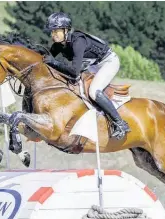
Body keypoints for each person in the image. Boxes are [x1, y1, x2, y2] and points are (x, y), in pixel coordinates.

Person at [43, 12, 130, 140]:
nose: (53, 34)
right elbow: (45, 57)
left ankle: (120, 123)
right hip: (93, 65)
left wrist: (54, 62)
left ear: (66, 30)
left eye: (56, 31)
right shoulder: (59, 45)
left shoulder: (78, 41)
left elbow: (73, 71)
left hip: (108, 62)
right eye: (52, 31)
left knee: (93, 91)